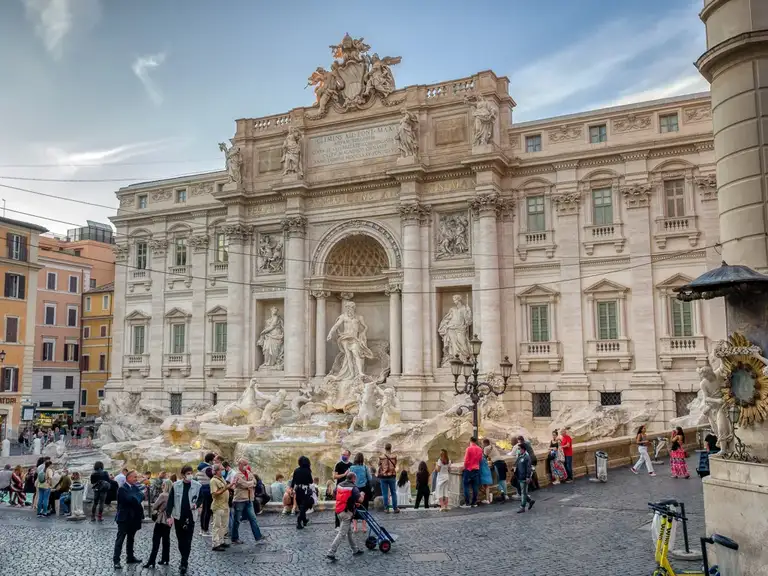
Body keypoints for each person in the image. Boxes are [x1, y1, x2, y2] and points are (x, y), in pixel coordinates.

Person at [166, 465, 201, 575]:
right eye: (188, 473)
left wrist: (197, 504)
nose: (190, 475)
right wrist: (168, 516)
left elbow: (201, 497)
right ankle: (183, 557)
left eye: (191, 473)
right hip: (178, 516)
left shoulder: (197, 485)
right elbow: (170, 501)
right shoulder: (176, 485)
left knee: (188, 540)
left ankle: (184, 562)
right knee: (181, 540)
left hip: (191, 516)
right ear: (183, 475)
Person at [326, 471, 365, 562]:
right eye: (355, 479)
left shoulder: (339, 485)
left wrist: (351, 502)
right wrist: (362, 494)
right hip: (346, 514)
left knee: (349, 532)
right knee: (342, 534)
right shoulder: (353, 488)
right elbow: (360, 500)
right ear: (353, 479)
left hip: (339, 511)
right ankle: (331, 552)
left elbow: (335, 495)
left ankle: (355, 550)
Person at [229, 458, 265, 546]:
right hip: (239, 500)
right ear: (240, 465)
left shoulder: (249, 473)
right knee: (237, 520)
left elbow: (255, 482)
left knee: (253, 518)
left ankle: (258, 536)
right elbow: (243, 484)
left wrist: (249, 484)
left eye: (247, 464)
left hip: (249, 499)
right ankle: (234, 538)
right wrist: (250, 484)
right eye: (244, 464)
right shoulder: (237, 475)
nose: (246, 466)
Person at [113, 470, 144, 570]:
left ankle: (130, 557)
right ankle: (116, 561)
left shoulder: (134, 487)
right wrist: (136, 496)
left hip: (134, 518)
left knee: (131, 538)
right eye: (134, 477)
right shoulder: (122, 489)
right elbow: (129, 499)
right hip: (124, 518)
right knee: (120, 539)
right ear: (129, 478)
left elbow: (141, 496)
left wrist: (136, 496)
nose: (136, 479)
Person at [143, 479, 172, 568]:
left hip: (161, 519)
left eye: (163, 485)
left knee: (156, 540)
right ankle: (165, 559)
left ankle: (152, 561)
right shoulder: (173, 495)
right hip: (169, 520)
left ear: (166, 486)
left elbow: (155, 506)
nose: (162, 486)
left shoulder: (163, 495)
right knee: (166, 540)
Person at [209, 464, 231, 551]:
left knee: (224, 525)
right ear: (217, 471)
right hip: (218, 506)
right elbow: (214, 494)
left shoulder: (222, 479)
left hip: (225, 505)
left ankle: (221, 541)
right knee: (217, 525)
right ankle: (215, 543)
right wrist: (225, 488)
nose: (223, 471)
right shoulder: (213, 481)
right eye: (222, 469)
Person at [349, 453, 371, 532]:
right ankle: (364, 527)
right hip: (363, 489)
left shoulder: (351, 468)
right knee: (364, 507)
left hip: (354, 489)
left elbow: (348, 478)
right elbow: (370, 478)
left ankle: (355, 527)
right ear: (362, 459)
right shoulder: (365, 467)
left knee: (354, 507)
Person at [290, 456, 314, 530]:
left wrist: (291, 489)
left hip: (297, 490)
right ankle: (299, 521)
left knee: (301, 506)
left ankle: (304, 520)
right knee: (304, 506)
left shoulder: (296, 470)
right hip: (305, 490)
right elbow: (311, 481)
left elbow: (293, 481)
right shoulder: (307, 471)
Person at [514, 436, 535, 513]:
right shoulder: (520, 457)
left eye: (519, 449)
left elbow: (528, 468)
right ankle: (530, 501)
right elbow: (516, 464)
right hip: (519, 476)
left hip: (524, 477)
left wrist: (528, 477)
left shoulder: (526, 457)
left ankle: (522, 507)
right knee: (521, 492)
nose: (518, 450)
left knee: (523, 492)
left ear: (523, 449)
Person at [377, 443, 399, 513]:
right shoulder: (394, 456)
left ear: (385, 448)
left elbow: (379, 464)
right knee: (393, 492)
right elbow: (395, 464)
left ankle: (386, 509)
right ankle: (395, 508)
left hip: (383, 477)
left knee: (385, 493)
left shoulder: (381, 457)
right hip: (392, 476)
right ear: (390, 448)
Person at [461, 436, 482, 508]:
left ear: (470, 441)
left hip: (468, 469)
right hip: (476, 469)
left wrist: (464, 467)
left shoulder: (468, 449)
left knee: (466, 486)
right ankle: (474, 502)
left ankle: (467, 503)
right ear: (476, 441)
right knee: (475, 486)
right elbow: (480, 459)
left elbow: (466, 460)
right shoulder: (480, 449)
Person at [333, 450, 353, 526]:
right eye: (343, 454)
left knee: (349, 505)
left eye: (345, 455)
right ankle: (337, 524)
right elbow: (334, 476)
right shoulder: (338, 464)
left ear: (349, 456)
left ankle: (347, 524)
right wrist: (344, 474)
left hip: (349, 488)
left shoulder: (351, 465)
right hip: (340, 488)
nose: (343, 456)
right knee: (339, 506)